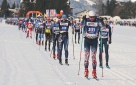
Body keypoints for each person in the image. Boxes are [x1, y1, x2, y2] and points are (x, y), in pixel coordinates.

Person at [82, 11, 100, 79]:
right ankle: (86, 71)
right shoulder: (86, 20)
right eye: (90, 17)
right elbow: (81, 25)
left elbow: (103, 26)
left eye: (93, 17)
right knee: (86, 56)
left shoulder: (97, 21)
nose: (92, 18)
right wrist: (83, 20)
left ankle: (94, 71)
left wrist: (101, 21)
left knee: (93, 57)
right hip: (87, 40)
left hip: (94, 41)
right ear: (88, 16)